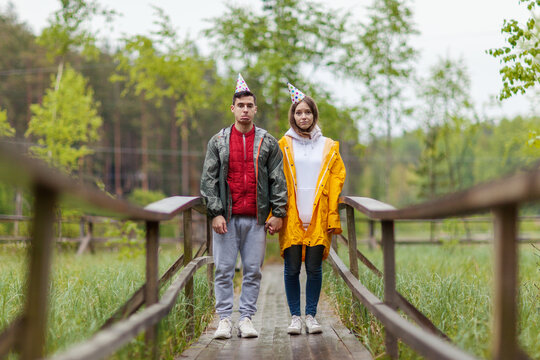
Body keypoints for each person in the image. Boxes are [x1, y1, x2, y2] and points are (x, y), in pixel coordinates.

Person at [200, 74, 288, 339]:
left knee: (252, 271)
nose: (245, 110)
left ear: (255, 109)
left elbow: (278, 180)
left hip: (257, 220)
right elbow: (208, 180)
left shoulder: (268, 142)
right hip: (226, 219)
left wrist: (278, 213)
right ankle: (225, 319)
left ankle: (246, 318)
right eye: (241, 106)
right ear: (233, 109)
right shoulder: (218, 142)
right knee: (224, 269)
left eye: (250, 105)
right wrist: (215, 212)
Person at [278, 82, 346, 335]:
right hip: (292, 213)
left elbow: (338, 175)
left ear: (314, 115)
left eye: (307, 112)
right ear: (293, 116)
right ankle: (295, 316)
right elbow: (275, 178)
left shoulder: (328, 145)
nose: (303, 116)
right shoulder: (283, 144)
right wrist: (275, 212)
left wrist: (332, 207)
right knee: (292, 267)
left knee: (315, 268)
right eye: (298, 112)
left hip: (317, 212)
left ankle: (311, 315)